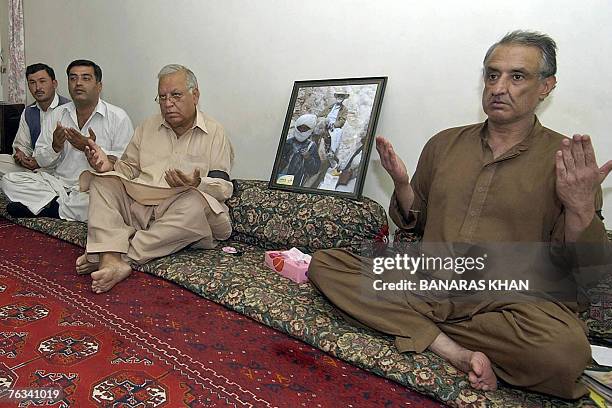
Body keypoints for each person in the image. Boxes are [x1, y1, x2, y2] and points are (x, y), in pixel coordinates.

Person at [308, 30, 612, 399]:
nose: (499, 87)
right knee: (327, 265)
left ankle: (419, 326)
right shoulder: (444, 143)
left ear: (546, 86)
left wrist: (580, 207)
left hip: (508, 301)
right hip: (427, 282)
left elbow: (584, 271)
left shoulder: (567, 162)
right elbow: (414, 220)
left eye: (517, 77)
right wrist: (403, 185)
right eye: (492, 74)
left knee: (565, 352)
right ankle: (450, 348)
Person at [77, 64, 234, 295]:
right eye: (162, 97)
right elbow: (128, 169)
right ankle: (110, 257)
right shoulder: (147, 127)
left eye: (176, 95)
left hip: (185, 210)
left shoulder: (215, 132)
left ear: (195, 95)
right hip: (143, 206)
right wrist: (107, 165)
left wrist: (196, 183)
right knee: (102, 181)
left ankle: (115, 255)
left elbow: (223, 189)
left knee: (193, 202)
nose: (168, 103)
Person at [1, 60, 133, 220]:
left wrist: (90, 147)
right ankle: (62, 205)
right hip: (58, 184)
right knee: (9, 180)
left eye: (86, 78)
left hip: (92, 186)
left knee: (109, 200)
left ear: (99, 86)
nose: (78, 83)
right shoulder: (57, 115)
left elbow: (126, 165)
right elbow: (41, 161)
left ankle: (50, 209)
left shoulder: (118, 117)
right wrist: (55, 147)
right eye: (73, 78)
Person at [0, 63, 70, 176]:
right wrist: (21, 155)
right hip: (32, 166)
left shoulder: (68, 109)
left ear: (54, 83)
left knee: (12, 180)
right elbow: (22, 144)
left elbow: (69, 153)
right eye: (32, 83)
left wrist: (40, 162)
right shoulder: (28, 112)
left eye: (42, 81)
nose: (38, 87)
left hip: (59, 167)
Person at [278, 113, 321, 187]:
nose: (302, 131)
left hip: (296, 181)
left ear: (310, 130)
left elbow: (314, 169)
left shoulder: (311, 146)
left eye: (305, 129)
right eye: (300, 128)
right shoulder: (288, 142)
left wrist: (308, 158)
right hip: (280, 176)